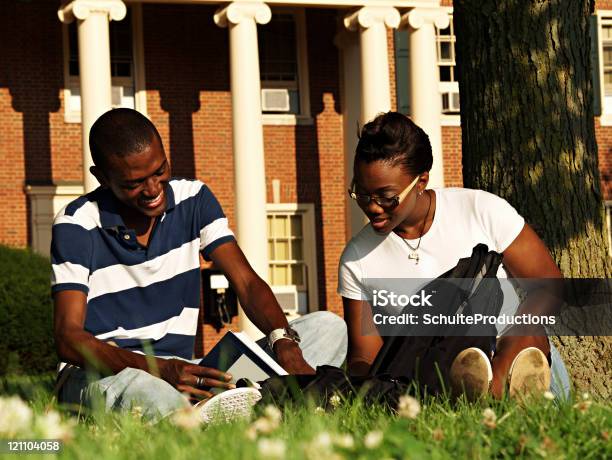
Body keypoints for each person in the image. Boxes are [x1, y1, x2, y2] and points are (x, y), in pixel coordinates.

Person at [52, 108, 347, 422]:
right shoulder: (77, 224)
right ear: (102, 178)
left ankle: (219, 408)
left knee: (328, 328)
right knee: (149, 392)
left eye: (160, 170)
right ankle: (243, 409)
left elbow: (245, 283)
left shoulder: (194, 199)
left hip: (185, 370)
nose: (153, 189)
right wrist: (159, 369)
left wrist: (283, 341)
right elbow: (68, 339)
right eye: (134, 183)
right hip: (108, 374)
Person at [338, 111, 570, 400]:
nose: (372, 207)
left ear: (421, 181)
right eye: (361, 193)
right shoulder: (357, 260)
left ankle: (502, 389)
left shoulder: (481, 210)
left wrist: (514, 338)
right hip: (429, 373)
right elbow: (365, 356)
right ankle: (482, 398)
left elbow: (549, 285)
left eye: (387, 196)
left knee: (525, 344)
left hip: (516, 350)